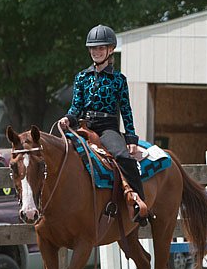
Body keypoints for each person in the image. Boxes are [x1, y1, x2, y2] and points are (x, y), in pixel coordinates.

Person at [58, 24, 149, 226]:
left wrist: (131, 138)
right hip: (83, 125)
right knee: (61, 155)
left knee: (122, 157)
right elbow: (75, 108)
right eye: (93, 48)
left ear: (110, 50)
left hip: (107, 127)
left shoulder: (118, 80)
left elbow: (126, 110)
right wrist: (67, 119)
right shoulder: (81, 77)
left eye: (101, 48)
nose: (96, 52)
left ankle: (139, 202)